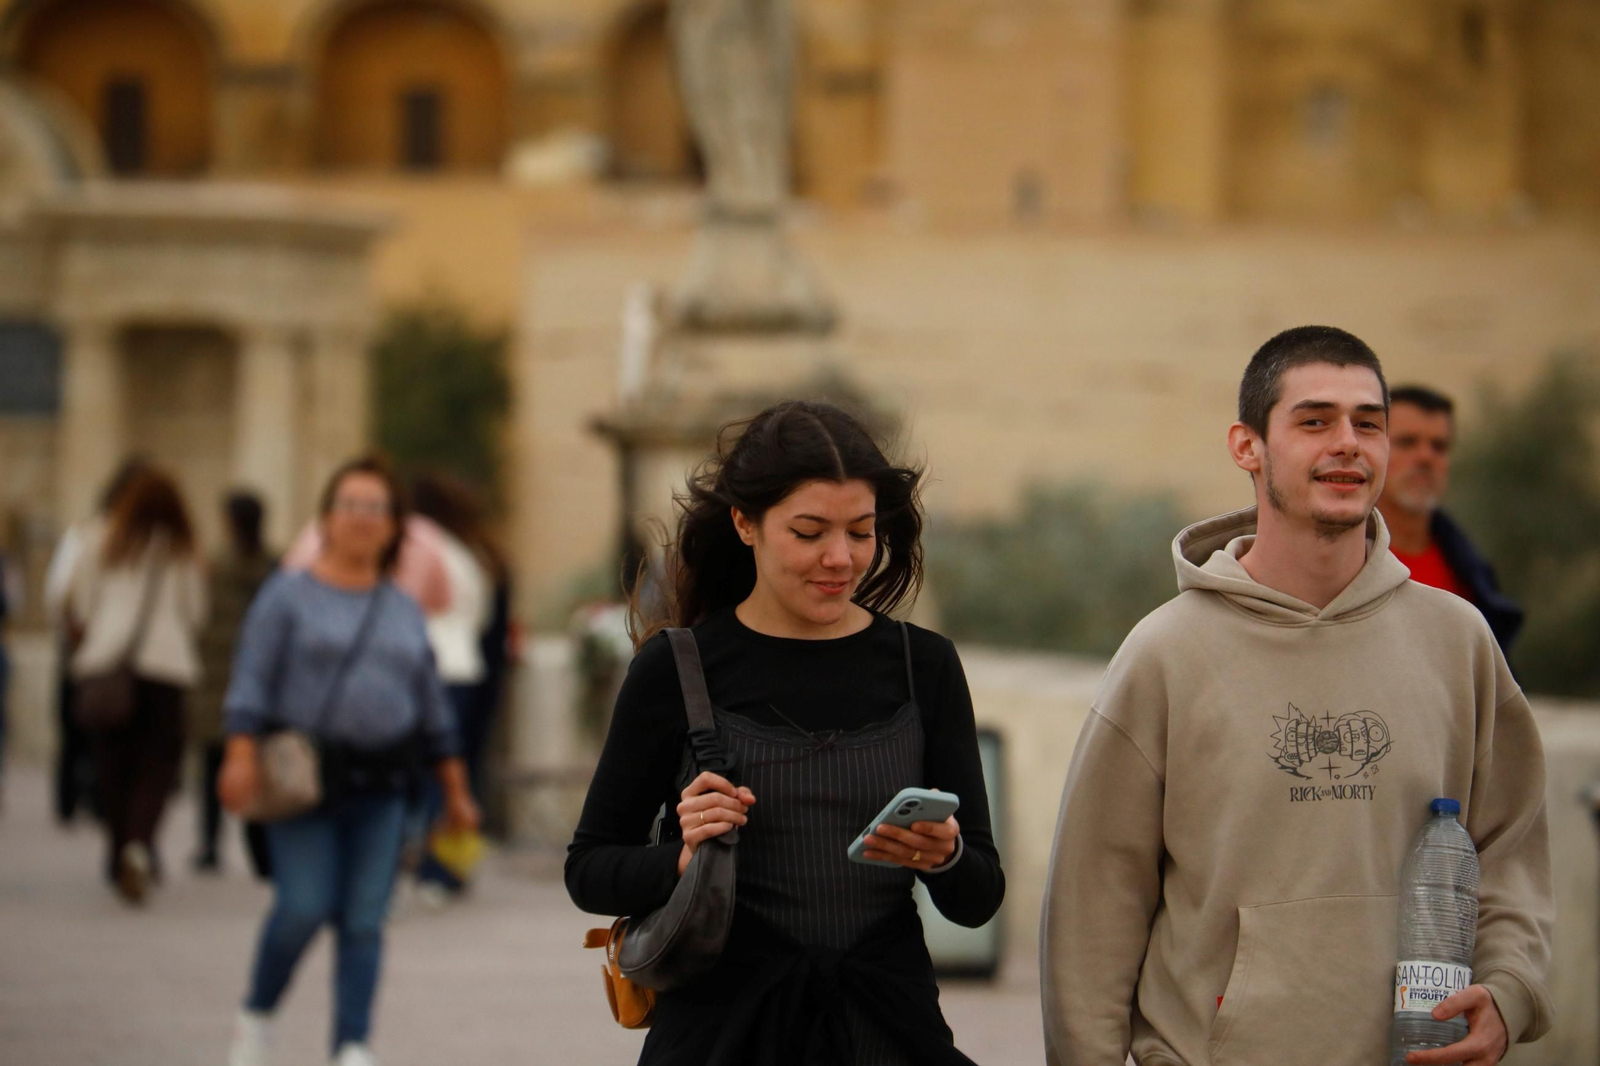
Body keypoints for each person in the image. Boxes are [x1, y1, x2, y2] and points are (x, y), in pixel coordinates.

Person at [1040, 326, 1553, 1066]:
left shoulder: (1458, 641)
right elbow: (1092, 916)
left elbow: (1513, 849)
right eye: (1314, 421)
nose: (1347, 443)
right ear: (1247, 446)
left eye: (1367, 424)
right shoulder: (1164, 655)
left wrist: (1509, 992)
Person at [566, 400, 1005, 1066]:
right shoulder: (677, 668)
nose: (840, 557)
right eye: (809, 532)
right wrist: (680, 860)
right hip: (722, 1037)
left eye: (861, 532)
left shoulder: (926, 666)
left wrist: (942, 857)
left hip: (888, 1032)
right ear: (745, 522)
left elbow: (979, 898)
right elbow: (589, 870)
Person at [218, 455, 480, 1066]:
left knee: (365, 918)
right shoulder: (287, 596)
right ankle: (257, 1013)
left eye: (377, 508)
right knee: (303, 905)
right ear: (327, 519)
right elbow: (251, 680)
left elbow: (431, 707)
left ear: (394, 526)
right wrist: (238, 753)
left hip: (383, 784)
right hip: (304, 781)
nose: (363, 519)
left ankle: (352, 1044)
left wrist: (457, 789)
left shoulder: (401, 608)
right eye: (350, 506)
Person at [65, 466, 208, 903]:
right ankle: (139, 844)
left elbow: (79, 601)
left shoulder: (99, 538)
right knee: (158, 766)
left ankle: (117, 849)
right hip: (164, 668)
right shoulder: (181, 547)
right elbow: (195, 611)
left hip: (109, 664)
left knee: (113, 766)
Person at [409, 473, 510, 897]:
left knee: (435, 776)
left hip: (435, 669)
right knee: (460, 771)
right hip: (471, 669)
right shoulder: (479, 556)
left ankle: (436, 868)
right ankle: (453, 864)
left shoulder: (427, 548)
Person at [1377, 384, 1524, 653]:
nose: (1425, 457)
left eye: (1439, 446)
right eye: (1407, 442)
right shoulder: (1340, 564)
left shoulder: (1472, 572)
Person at [44, 457, 149, 824]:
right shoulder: (87, 535)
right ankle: (72, 800)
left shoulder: (150, 542)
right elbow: (61, 594)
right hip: (90, 648)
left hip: (123, 652)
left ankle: (96, 802)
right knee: (80, 727)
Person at [190, 492, 277, 872]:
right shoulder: (276, 567)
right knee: (258, 766)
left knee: (211, 768)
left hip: (218, 677)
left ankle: (209, 844)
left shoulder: (216, 566)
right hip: (261, 681)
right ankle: (259, 847)